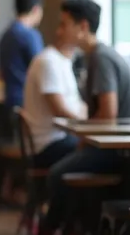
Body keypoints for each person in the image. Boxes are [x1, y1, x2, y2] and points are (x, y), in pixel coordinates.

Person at [35, 0, 130, 235]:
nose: (59, 31)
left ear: (83, 26)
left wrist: (83, 135)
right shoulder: (96, 56)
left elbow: (108, 114)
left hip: (121, 152)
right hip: (119, 149)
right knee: (66, 169)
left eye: (65, 24)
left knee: (57, 174)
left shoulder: (101, 58)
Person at [23, 10, 87, 169]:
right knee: (104, 154)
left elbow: (79, 106)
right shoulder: (49, 62)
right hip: (48, 145)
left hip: (58, 139)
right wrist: (87, 126)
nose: (59, 30)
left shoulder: (62, 62)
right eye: (62, 25)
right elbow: (59, 110)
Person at [0, 0, 44, 109]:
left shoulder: (6, 35)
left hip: (10, 98)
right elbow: (41, 69)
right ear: (36, 9)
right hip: (27, 100)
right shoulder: (30, 35)